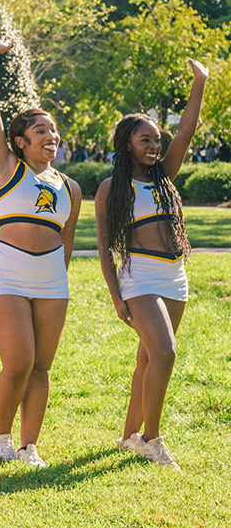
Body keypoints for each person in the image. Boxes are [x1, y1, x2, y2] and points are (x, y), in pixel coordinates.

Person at [96, 59, 207, 470]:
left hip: (174, 277)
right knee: (164, 352)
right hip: (138, 277)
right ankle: (152, 439)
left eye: (156, 140)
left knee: (148, 358)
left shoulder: (165, 176)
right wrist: (115, 295)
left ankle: (128, 436)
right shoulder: (112, 188)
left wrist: (200, 81)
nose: (154, 146)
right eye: (145, 140)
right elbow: (106, 246)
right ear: (128, 143)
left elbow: (187, 130)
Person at [0, 37, 81, 467]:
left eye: (54, 130)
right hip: (6, 273)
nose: (51, 135)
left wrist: (56, 275)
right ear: (20, 140)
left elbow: (67, 241)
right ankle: (1, 437)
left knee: (42, 366)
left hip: (51, 278)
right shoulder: (4, 168)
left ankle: (29, 445)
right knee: (18, 361)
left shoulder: (69, 187)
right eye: (41, 130)